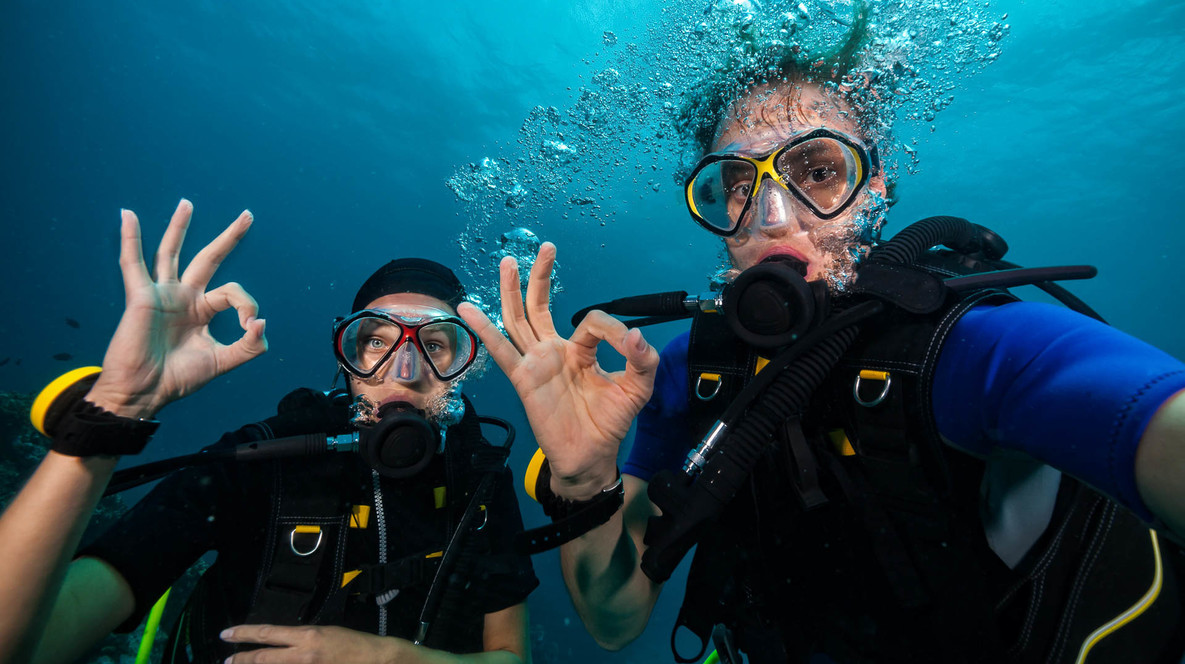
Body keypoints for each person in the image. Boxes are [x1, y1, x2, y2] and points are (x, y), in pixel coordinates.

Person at [453, 15, 1185, 664]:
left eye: (819, 171)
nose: (773, 216)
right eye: (737, 184)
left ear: (875, 191)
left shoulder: (965, 347)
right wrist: (584, 483)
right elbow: (614, 621)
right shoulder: (685, 370)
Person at [0, 200, 537, 664]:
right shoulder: (262, 458)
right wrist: (118, 409)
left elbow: (512, 655)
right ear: (347, 359)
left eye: (435, 345)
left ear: (464, 368)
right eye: (376, 341)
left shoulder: (480, 479)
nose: (404, 369)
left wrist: (392, 659)